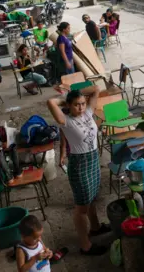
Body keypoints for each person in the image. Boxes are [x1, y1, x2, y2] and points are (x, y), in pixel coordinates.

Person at [47, 87, 110, 255]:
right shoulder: (65, 120)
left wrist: (77, 93)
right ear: (69, 105)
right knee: (82, 206)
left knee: (92, 198)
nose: (81, 107)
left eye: (82, 103)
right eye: (76, 105)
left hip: (93, 160)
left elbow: (95, 90)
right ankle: (85, 245)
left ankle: (95, 227)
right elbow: (50, 102)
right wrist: (64, 98)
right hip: (80, 164)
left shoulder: (88, 114)